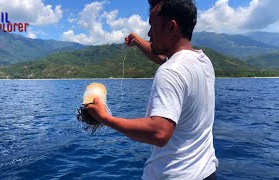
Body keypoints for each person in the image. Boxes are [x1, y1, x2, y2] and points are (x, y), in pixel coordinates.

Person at [86, 0, 219, 179]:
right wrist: (137, 40)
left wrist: (105, 118)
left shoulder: (171, 71)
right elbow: (163, 57)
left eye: (152, 26)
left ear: (171, 27)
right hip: (206, 172)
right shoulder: (203, 61)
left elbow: (160, 132)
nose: (148, 33)